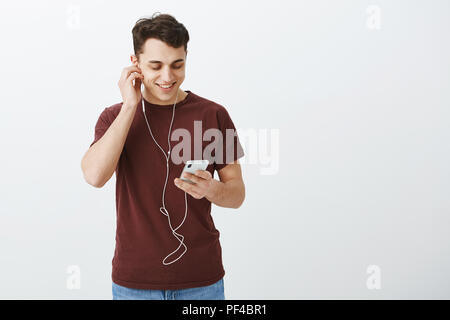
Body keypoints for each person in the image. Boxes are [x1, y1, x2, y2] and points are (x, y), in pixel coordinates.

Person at [80, 12, 246, 300]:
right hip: (134, 283)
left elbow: (237, 194)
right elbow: (94, 176)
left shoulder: (214, 114)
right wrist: (130, 106)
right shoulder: (113, 117)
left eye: (177, 65)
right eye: (155, 66)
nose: (168, 77)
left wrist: (212, 189)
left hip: (201, 282)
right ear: (135, 63)